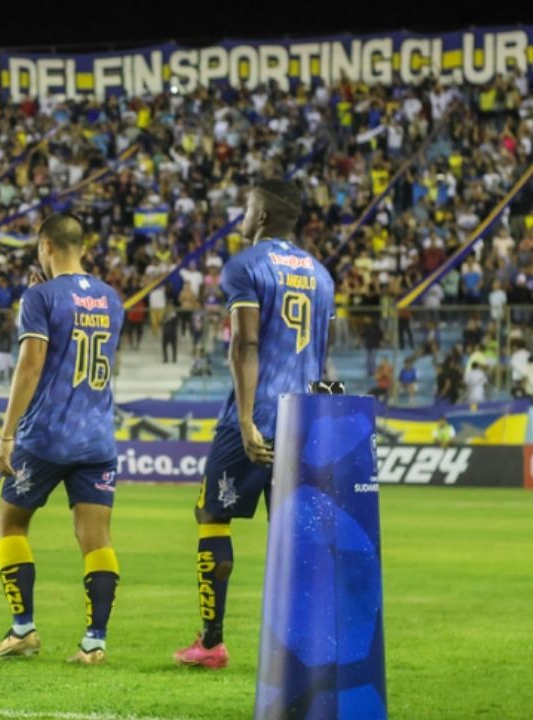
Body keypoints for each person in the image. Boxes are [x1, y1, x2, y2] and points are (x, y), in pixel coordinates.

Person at [173, 180, 334, 669]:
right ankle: (305, 648)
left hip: (258, 415)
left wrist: (245, 421)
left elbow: (245, 344)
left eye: (246, 207)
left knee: (212, 516)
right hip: (305, 417)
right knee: (293, 530)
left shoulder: (246, 266)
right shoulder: (321, 275)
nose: (240, 215)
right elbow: (321, 356)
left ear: (261, 216)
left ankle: (211, 642)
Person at [0, 214, 125, 665]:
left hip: (45, 436)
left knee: (11, 523)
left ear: (45, 245)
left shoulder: (40, 296)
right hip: (97, 437)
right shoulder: (112, 298)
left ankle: (23, 629)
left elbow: (31, 364)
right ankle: (94, 641)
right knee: (96, 539)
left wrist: (7, 435)